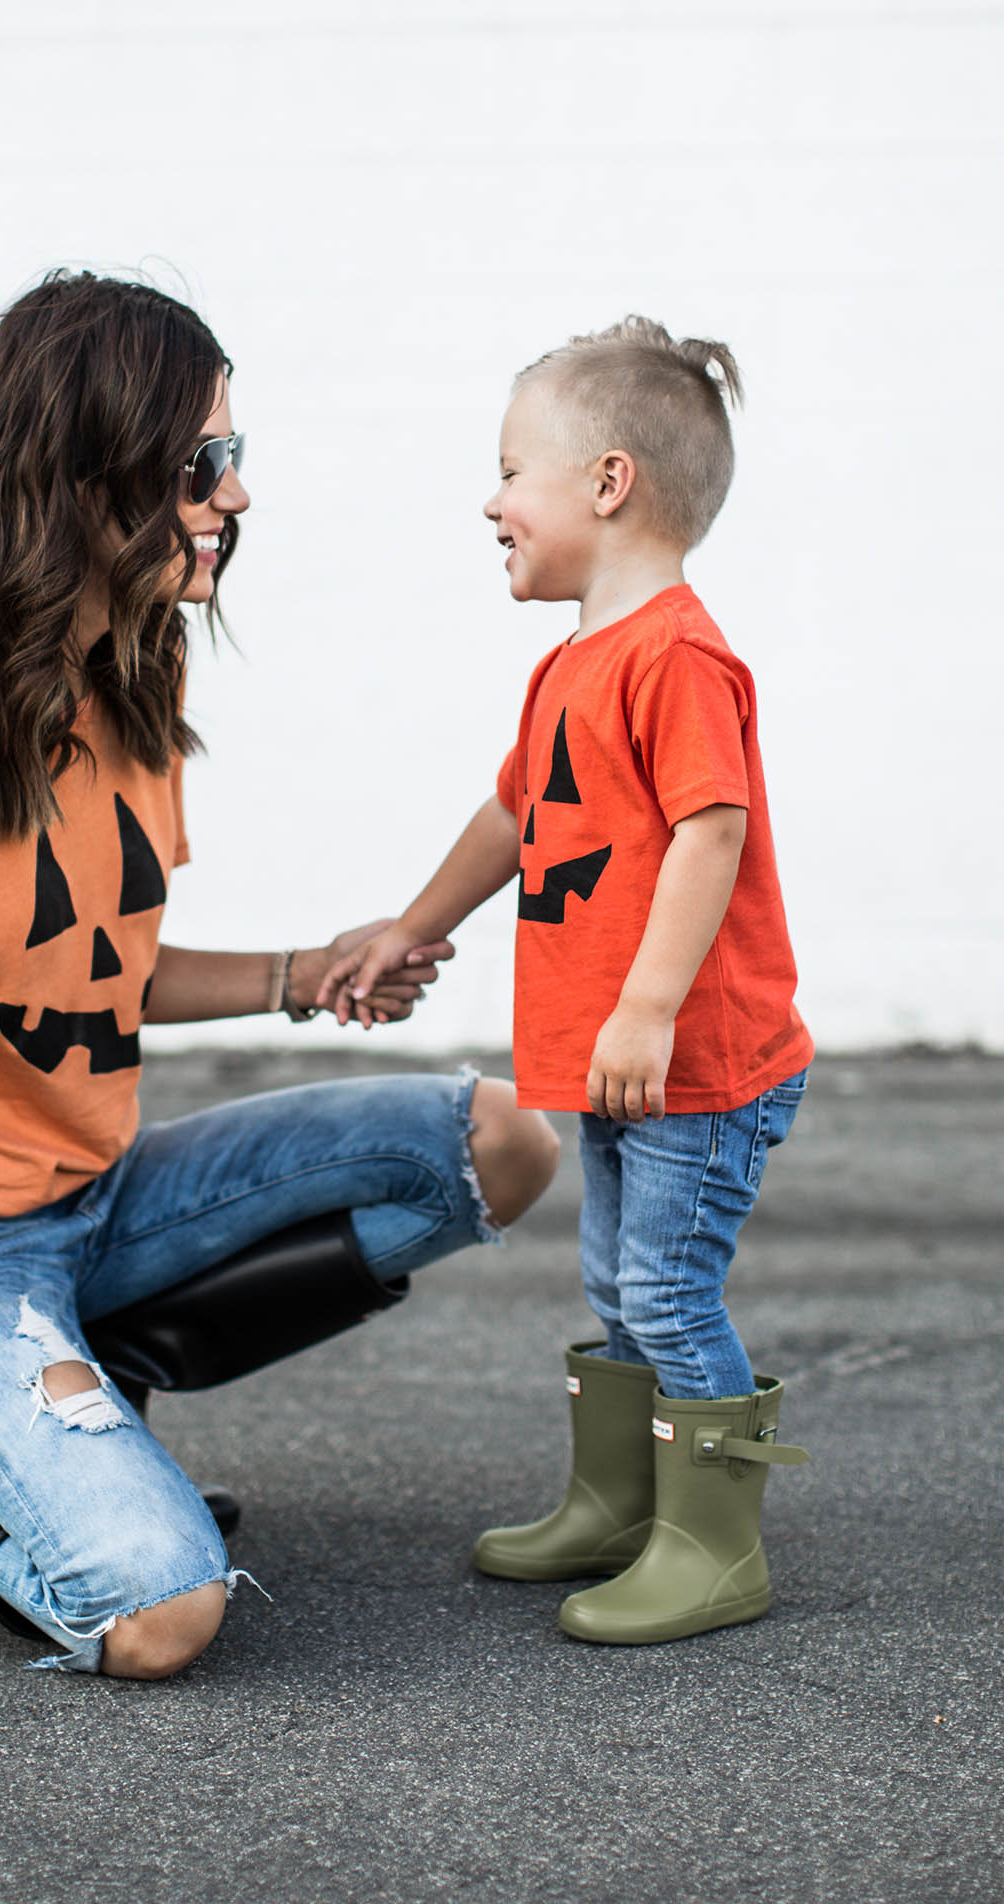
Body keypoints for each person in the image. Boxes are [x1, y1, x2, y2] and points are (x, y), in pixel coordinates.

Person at [0, 271, 560, 1678]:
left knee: (495, 1145)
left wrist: (312, 971)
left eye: (231, 460)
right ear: (81, 474)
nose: (234, 496)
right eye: (203, 463)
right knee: (159, 1609)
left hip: (99, 1190)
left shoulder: (135, 669)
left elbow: (88, 974)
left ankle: (88, 1376)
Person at [320, 317, 815, 1646]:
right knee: (615, 1279)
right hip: (613, 1056)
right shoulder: (569, 668)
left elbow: (714, 832)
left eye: (509, 471)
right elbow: (510, 817)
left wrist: (648, 1004)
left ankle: (714, 1551)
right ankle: (624, 1503)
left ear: (607, 484)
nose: (490, 500)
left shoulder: (677, 659)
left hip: (693, 1061)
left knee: (665, 1290)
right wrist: (407, 929)